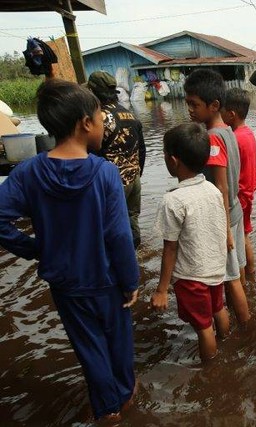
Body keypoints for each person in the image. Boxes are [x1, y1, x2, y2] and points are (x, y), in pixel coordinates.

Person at [0, 79, 139, 423]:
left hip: (65, 284)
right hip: (107, 281)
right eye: (98, 117)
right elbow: (119, 235)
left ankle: (106, 410)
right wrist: (131, 280)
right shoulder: (104, 172)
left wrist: (34, 249)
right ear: (84, 123)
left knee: (90, 350)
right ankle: (125, 400)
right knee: (118, 345)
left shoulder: (28, 171)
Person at [151, 123, 230, 361]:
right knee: (218, 309)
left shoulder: (173, 200)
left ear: (173, 161)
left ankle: (212, 371)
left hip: (192, 276)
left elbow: (170, 247)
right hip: (215, 269)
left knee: (204, 327)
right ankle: (228, 347)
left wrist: (161, 289)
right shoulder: (213, 190)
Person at [183, 69, 250, 327]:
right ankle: (244, 314)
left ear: (214, 105)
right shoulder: (228, 131)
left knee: (230, 278)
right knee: (238, 269)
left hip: (223, 215)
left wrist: (224, 231)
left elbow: (220, 187)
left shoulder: (212, 138)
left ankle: (245, 328)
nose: (190, 110)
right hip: (234, 208)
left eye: (194, 105)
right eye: (188, 103)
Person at [87, 70, 146, 249]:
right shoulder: (130, 114)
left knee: (111, 225)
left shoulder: (99, 118)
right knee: (132, 217)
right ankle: (137, 255)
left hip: (113, 182)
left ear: (92, 92)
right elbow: (142, 149)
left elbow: (93, 153)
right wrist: (137, 173)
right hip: (134, 178)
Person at [221, 88, 256, 283]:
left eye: (222, 111)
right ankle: (251, 275)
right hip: (249, 191)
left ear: (231, 114)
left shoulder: (234, 138)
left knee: (241, 238)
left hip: (241, 195)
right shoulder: (248, 133)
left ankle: (246, 276)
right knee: (245, 234)